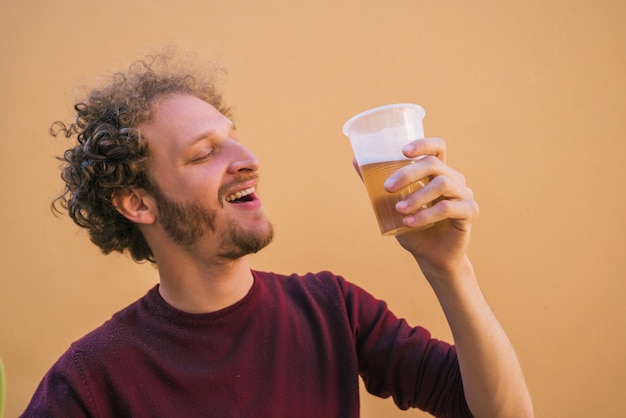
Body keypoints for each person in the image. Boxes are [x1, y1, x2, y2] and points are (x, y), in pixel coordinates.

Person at [21, 51, 533, 418]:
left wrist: (449, 269)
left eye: (235, 141)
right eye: (204, 153)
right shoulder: (91, 380)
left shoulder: (332, 309)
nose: (247, 162)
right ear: (137, 202)